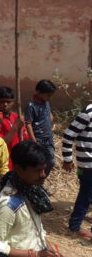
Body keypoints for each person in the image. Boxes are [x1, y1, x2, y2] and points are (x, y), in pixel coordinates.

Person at [0, 141, 61, 257]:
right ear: (18, 169)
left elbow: (36, 230)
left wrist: (49, 248)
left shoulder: (32, 192)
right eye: (38, 170)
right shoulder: (8, 205)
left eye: (44, 170)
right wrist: (34, 254)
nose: (43, 175)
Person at [61, 103, 92, 241]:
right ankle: (75, 226)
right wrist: (67, 159)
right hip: (88, 164)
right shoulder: (88, 112)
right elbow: (68, 135)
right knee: (86, 195)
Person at [24, 80, 57, 175]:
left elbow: (50, 115)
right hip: (39, 139)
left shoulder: (46, 102)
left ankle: (40, 180)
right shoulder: (31, 106)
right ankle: (35, 180)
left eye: (51, 95)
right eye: (48, 95)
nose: (49, 97)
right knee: (38, 162)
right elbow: (28, 124)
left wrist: (48, 124)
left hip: (48, 138)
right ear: (38, 92)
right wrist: (34, 140)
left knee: (51, 161)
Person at [0, 86, 28, 169]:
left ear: (13, 102)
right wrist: (15, 127)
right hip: (4, 160)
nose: (5, 104)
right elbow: (0, 145)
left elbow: (24, 136)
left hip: (17, 158)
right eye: (2, 102)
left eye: (8, 102)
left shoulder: (16, 117)